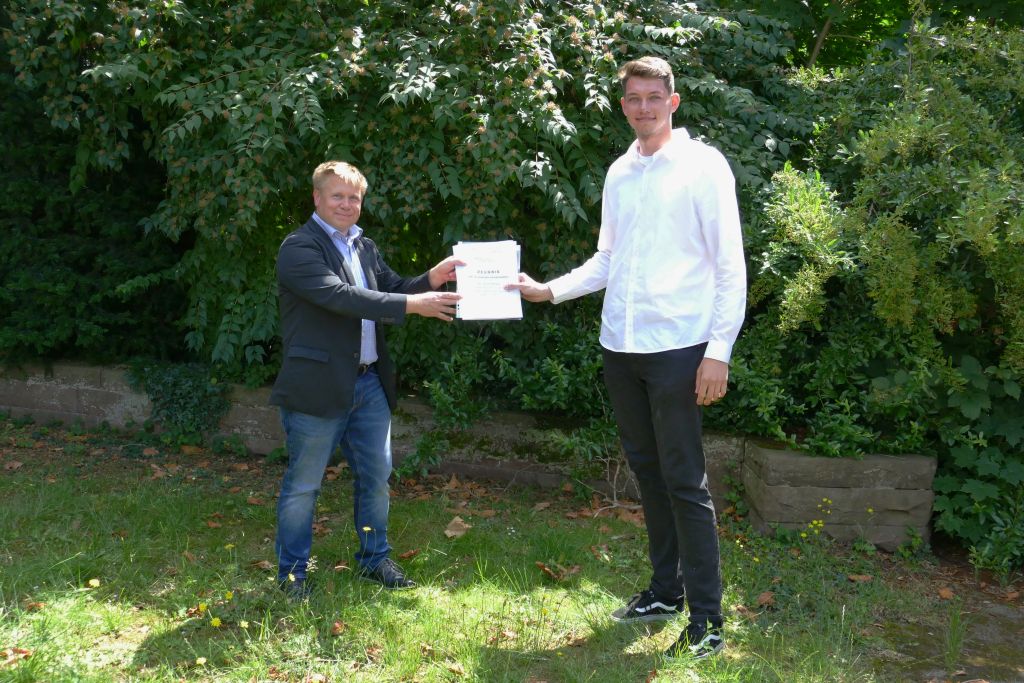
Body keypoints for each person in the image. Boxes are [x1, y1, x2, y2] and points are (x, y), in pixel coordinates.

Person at [509, 56, 746, 660]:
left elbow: (729, 265)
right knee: (648, 472)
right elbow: (608, 259)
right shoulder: (620, 172)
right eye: (633, 98)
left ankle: (708, 621)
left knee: (684, 481)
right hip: (621, 345)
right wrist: (548, 290)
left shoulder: (703, 167)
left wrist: (718, 351)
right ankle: (665, 593)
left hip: (680, 347)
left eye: (653, 97)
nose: (643, 107)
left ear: (673, 101)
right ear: (623, 106)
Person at [270, 160, 462, 598]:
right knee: (304, 486)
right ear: (317, 198)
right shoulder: (298, 247)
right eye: (337, 196)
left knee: (376, 478)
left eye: (354, 197)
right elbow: (341, 297)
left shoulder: (364, 246)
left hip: (369, 384)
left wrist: (431, 279)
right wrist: (414, 305)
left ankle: (375, 561)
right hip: (318, 386)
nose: (346, 204)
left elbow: (392, 288)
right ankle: (292, 575)